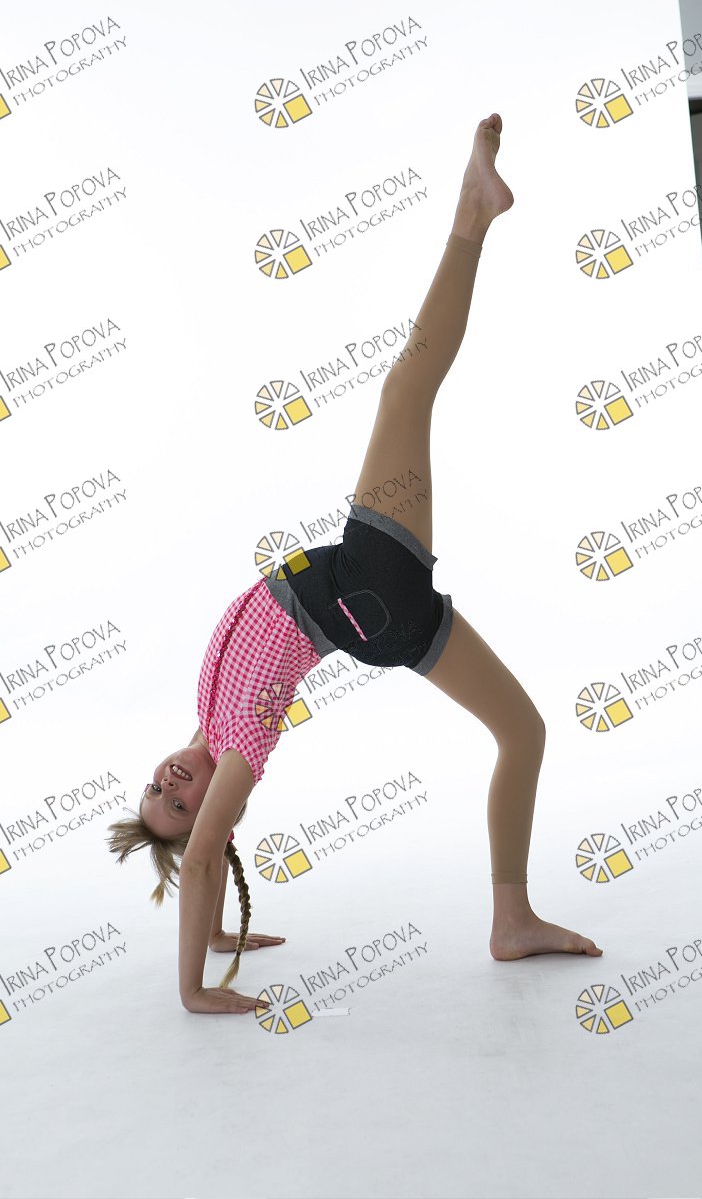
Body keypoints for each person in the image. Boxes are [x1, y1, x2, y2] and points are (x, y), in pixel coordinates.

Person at [106, 113, 603, 1016]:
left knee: (523, 733)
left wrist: (218, 932)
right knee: (408, 385)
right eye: (178, 805)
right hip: (367, 589)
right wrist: (194, 988)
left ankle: (511, 920)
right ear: (213, 811)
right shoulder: (240, 748)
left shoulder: (208, 721)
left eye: (156, 785)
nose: (169, 784)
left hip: (379, 612)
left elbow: (209, 855)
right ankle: (473, 213)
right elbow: (207, 853)